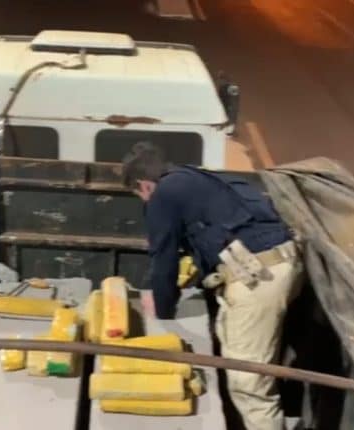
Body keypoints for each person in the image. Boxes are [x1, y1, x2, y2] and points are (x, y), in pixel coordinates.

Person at [122, 142, 304, 430]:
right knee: (242, 344)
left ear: (144, 185)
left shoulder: (162, 194)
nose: (145, 202)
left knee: (247, 379)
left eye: (140, 196)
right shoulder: (197, 177)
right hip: (287, 261)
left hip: (258, 278)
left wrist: (163, 309)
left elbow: (164, 257)